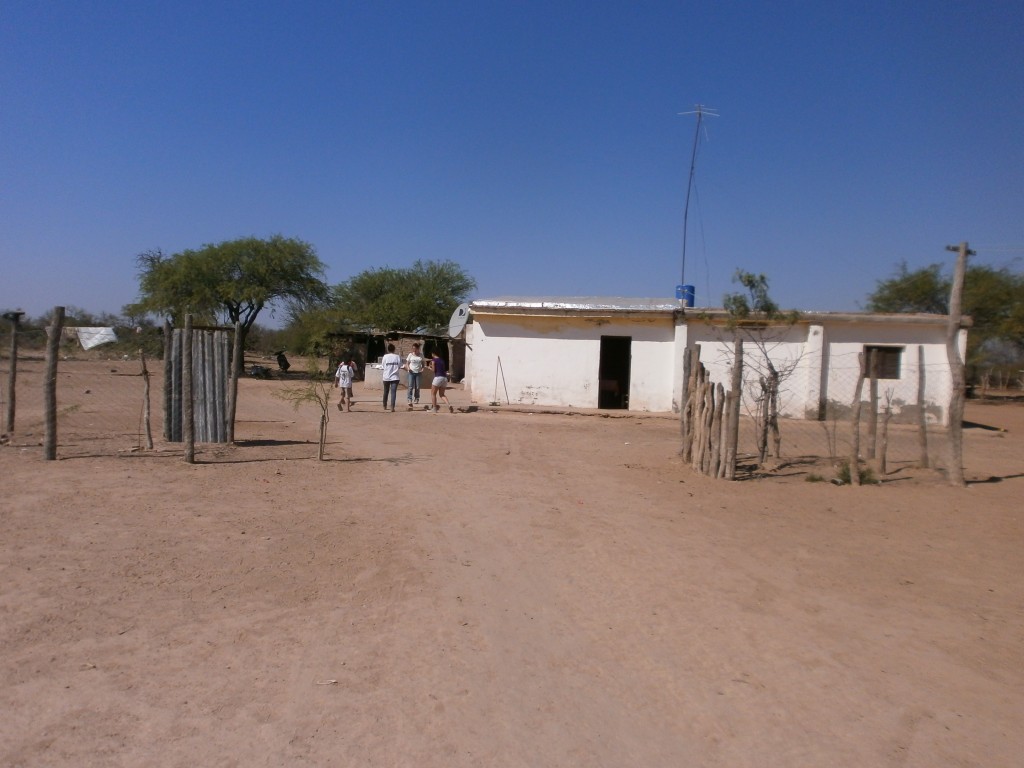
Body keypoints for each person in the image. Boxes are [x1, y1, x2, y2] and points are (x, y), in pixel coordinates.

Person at [381, 343, 402, 412]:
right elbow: (400, 366)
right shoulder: (397, 357)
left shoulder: (385, 357)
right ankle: (392, 407)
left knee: (386, 391)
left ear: (388, 349)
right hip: (395, 377)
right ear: (394, 349)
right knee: (393, 392)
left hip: (386, 377)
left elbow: (383, 366)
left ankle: (384, 405)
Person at [404, 342, 424, 410]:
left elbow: (423, 363)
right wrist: (408, 368)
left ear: (418, 349)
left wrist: (422, 369)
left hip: (418, 372)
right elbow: (407, 363)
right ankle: (409, 399)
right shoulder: (410, 355)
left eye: (415, 349)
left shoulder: (421, 355)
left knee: (417, 387)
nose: (414, 350)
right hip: (411, 372)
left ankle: (417, 398)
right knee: (410, 386)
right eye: (413, 349)